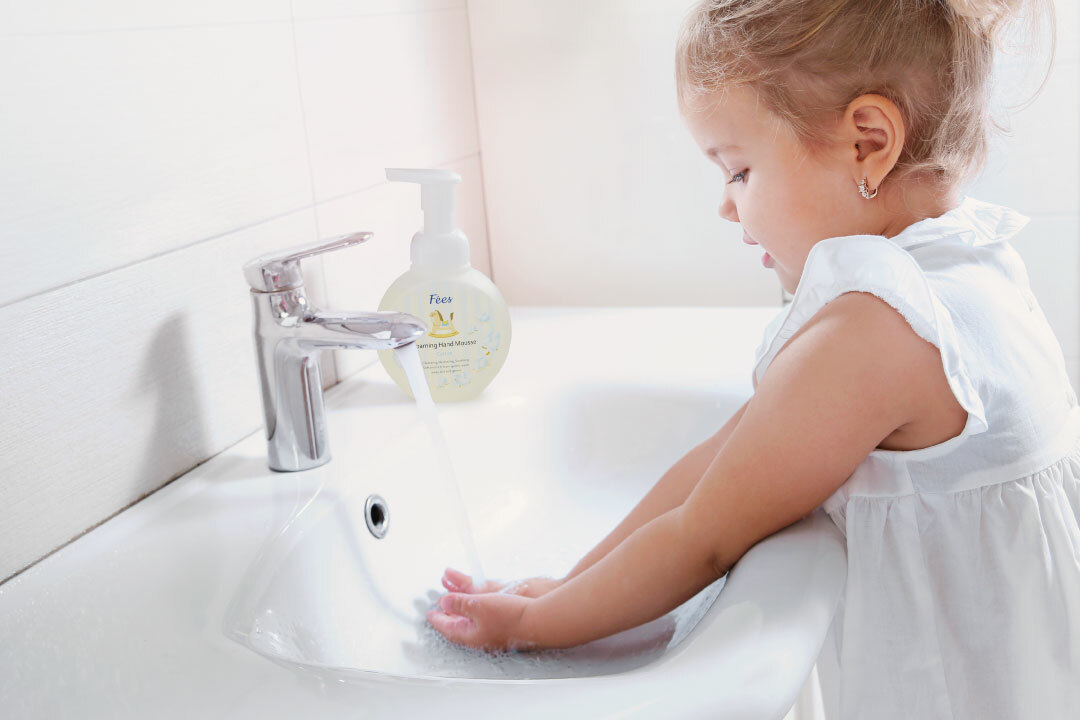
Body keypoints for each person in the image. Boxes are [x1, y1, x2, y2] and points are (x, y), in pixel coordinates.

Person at [427, 1, 1079, 716]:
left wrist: (533, 626)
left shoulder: (878, 329)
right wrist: (569, 584)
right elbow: (723, 457)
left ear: (868, 142)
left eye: (738, 171)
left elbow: (702, 537)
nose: (728, 206)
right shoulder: (970, 264)